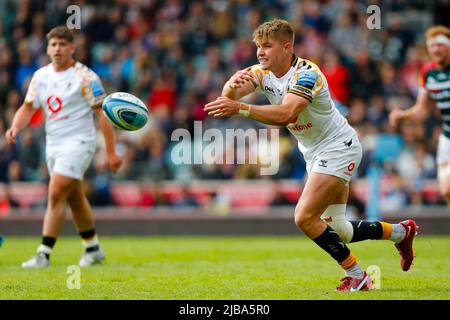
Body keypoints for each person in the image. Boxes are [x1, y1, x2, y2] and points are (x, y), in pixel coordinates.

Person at [204, 19, 418, 291]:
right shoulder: (261, 73)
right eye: (258, 46)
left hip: (338, 146)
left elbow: (285, 114)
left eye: (267, 46)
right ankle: (401, 231)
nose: (260, 52)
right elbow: (230, 98)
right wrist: (231, 86)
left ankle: (357, 275)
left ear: (286, 46)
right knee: (339, 230)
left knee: (304, 217)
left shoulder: (307, 74)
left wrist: (242, 109)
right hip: (314, 152)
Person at [5, 26, 122, 268]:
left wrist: (111, 151)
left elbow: (104, 115)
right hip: (54, 144)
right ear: (47, 49)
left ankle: (43, 254)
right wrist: (15, 126)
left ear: (72, 48)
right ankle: (93, 249)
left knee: (56, 192)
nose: (57, 49)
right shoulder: (40, 77)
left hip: (79, 142)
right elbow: (28, 107)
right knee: (75, 198)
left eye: (62, 44)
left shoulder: (86, 78)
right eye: (54, 44)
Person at [389, 25, 450, 205]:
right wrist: (403, 115)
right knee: (446, 189)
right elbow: (422, 110)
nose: (436, 49)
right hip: (447, 136)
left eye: (441, 44)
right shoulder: (428, 73)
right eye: (432, 45)